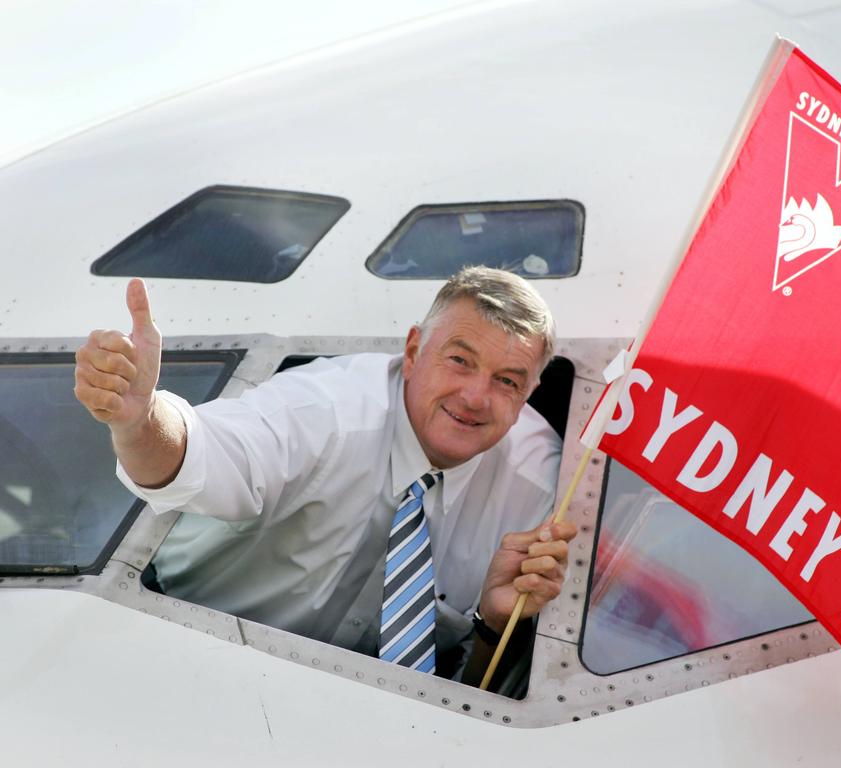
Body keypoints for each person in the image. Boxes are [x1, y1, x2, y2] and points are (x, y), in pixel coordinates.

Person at [74, 267, 576, 685]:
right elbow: (199, 457)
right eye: (460, 361)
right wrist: (140, 419)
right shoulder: (325, 408)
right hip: (183, 652)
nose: (474, 397)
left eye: (506, 381)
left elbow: (479, 688)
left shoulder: (541, 489)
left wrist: (492, 626)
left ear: (530, 391)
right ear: (413, 349)